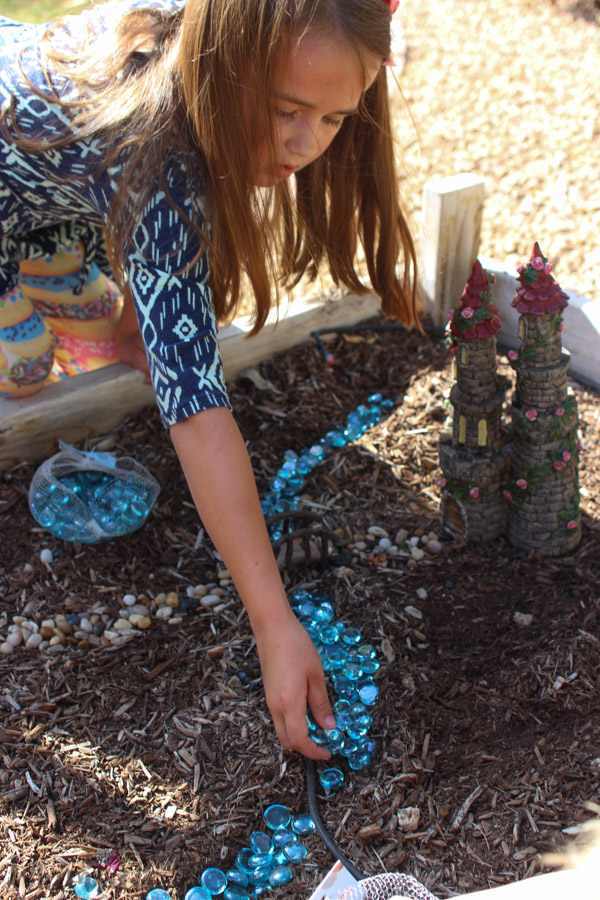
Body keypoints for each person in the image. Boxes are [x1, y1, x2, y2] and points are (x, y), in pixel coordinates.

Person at [0, 0, 419, 757]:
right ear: (225, 58)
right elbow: (193, 405)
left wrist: (140, 318)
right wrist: (274, 624)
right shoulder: (157, 156)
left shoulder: (197, 35)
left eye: (332, 120)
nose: (305, 144)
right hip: (21, 180)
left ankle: (43, 275)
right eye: (290, 110)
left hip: (39, 191)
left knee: (98, 329)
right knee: (26, 367)